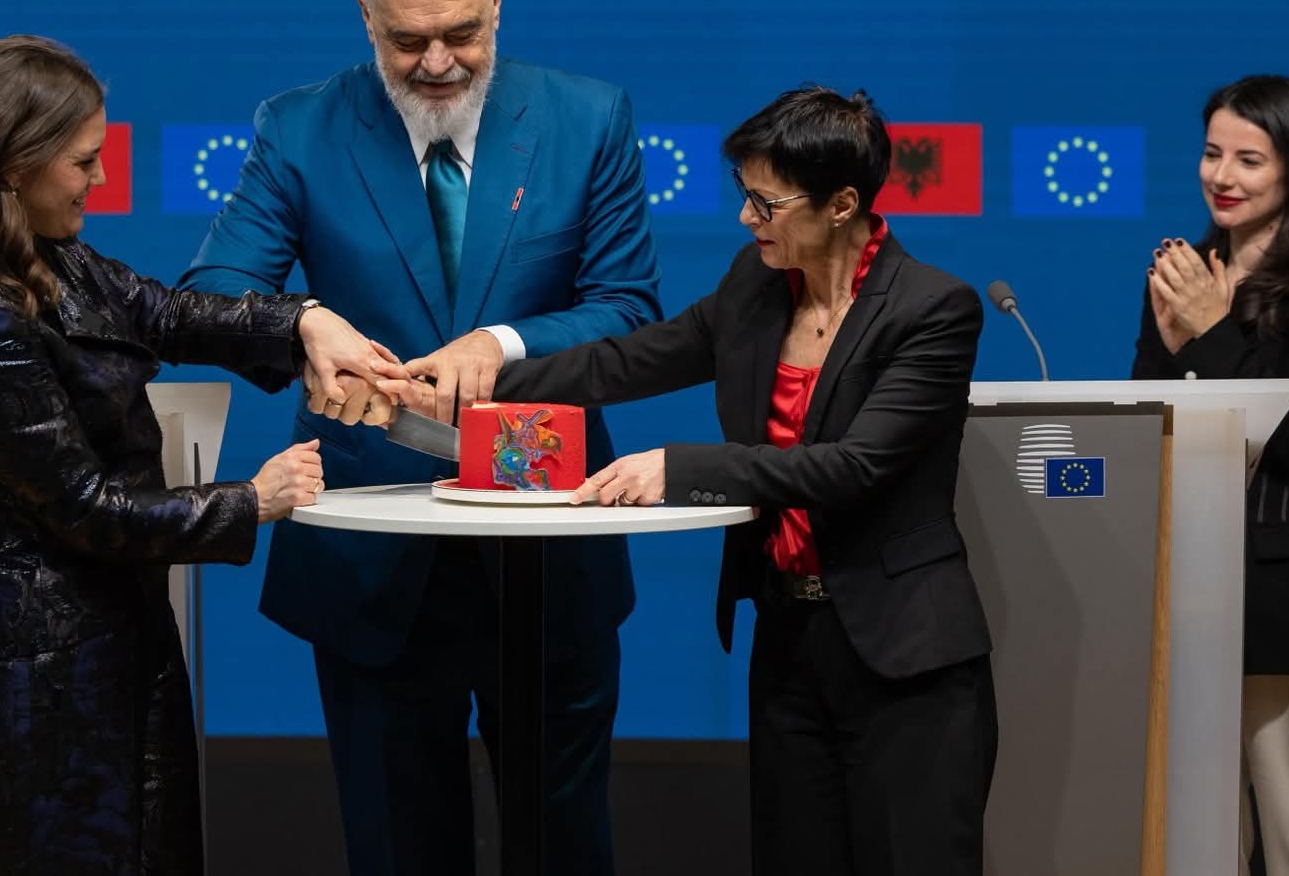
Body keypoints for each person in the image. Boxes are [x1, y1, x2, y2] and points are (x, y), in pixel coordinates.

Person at [404, 84, 999, 876]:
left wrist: (679, 470)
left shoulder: (933, 308)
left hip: (904, 656)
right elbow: (627, 362)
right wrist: (462, 385)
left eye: (767, 203)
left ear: (842, 205)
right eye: (743, 195)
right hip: (789, 641)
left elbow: (855, 466)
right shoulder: (756, 284)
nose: (747, 219)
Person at [182, 0, 661, 876]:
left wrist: (504, 343)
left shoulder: (587, 118)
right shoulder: (298, 128)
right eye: (407, 40)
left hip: (546, 542)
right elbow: (212, 293)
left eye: (461, 32)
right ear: (365, 16)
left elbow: (626, 308)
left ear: (497, 1)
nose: (438, 61)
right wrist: (302, 322)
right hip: (371, 562)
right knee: (397, 850)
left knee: (563, 844)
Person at [0, 35, 402, 876]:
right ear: (15, 164)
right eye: (82, 160)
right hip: (49, 661)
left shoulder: (51, 259)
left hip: (117, 629)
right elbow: (85, 510)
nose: (99, 178)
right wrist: (253, 499)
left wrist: (305, 322)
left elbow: (169, 314)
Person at [1131, 74, 1289, 876]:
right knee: (1191, 849)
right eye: (1212, 154)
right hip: (1185, 597)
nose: (1222, 176)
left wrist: (1209, 334)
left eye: (1248, 160)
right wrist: (1177, 346)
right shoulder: (1183, 270)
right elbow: (1149, 432)